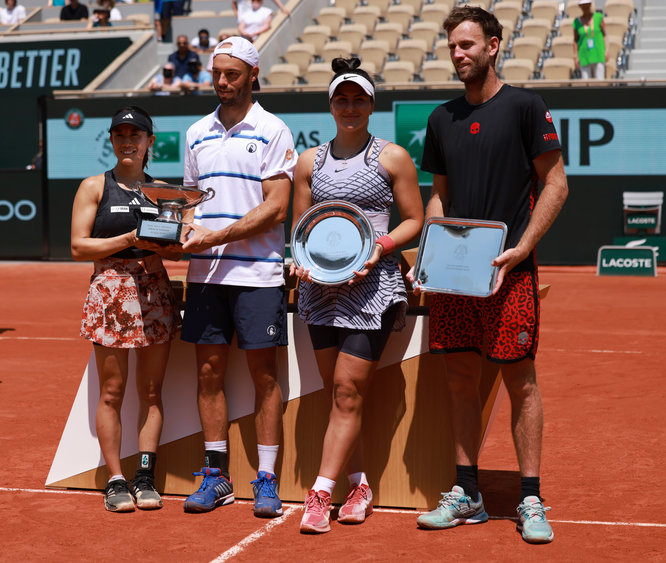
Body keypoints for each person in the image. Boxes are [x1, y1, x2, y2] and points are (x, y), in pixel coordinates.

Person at [406, 6, 568, 544]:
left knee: (521, 381)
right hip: (453, 277)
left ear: (494, 46)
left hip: (509, 273)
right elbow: (439, 196)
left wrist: (521, 250)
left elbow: (556, 185)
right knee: (459, 379)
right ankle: (467, 491)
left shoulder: (526, 106)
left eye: (469, 45)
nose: (459, 54)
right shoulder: (440, 118)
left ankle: (529, 495)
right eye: (453, 46)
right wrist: (428, 253)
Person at [291, 57, 424, 534]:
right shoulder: (309, 161)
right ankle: (360, 484)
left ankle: (319, 494)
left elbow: (415, 219)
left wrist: (379, 249)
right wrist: (299, 261)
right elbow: (301, 229)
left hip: (374, 287)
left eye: (358, 99)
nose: (350, 107)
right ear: (331, 105)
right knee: (340, 395)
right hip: (321, 292)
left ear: (371, 105)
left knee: (347, 392)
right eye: (342, 99)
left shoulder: (392, 157)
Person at [178, 37, 297, 518]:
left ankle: (266, 478)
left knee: (263, 377)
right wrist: (183, 232)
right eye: (217, 74)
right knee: (208, 372)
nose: (223, 82)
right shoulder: (195, 133)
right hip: (205, 276)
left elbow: (276, 208)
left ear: (252, 74)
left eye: (232, 74)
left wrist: (215, 236)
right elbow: (189, 202)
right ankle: (216, 474)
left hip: (257, 274)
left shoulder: (273, 129)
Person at [70, 106, 182, 513]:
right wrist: (131, 236)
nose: (128, 141)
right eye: (121, 134)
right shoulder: (93, 187)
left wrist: (165, 244)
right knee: (112, 391)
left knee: (152, 391)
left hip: (154, 289)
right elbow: (79, 247)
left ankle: (145, 475)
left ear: (150, 141)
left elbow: (176, 242)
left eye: (136, 135)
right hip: (111, 290)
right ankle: (116, 479)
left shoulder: (164, 191)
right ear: (112, 140)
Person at [573, 0, 608, 80]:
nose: (585, 7)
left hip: (598, 53)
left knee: (600, 80)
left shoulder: (598, 17)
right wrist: (576, 56)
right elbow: (575, 40)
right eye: (583, 5)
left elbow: (605, 35)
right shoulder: (576, 22)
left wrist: (606, 50)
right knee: (585, 82)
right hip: (584, 55)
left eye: (587, 5)